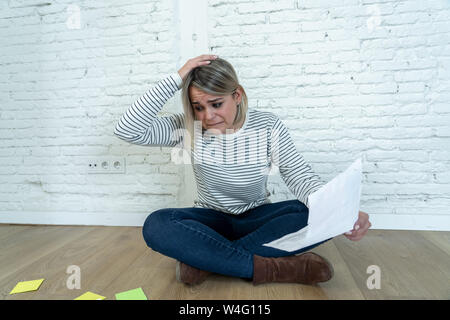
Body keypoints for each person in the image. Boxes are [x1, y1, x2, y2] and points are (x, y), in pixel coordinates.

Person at [114, 54, 371, 286]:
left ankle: (206, 262)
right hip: (211, 221)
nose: (207, 116)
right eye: (198, 106)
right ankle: (274, 269)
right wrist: (177, 78)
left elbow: (298, 174)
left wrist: (341, 209)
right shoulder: (187, 126)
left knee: (307, 212)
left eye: (216, 104)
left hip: (257, 218)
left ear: (237, 95)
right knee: (157, 224)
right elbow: (127, 129)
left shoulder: (267, 125)